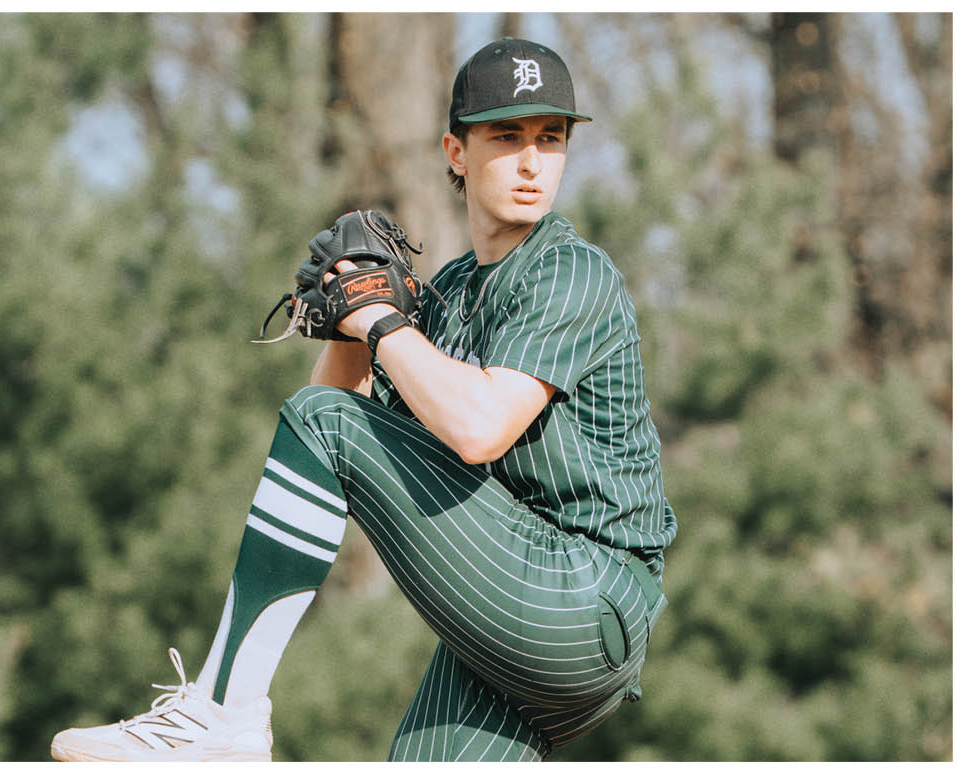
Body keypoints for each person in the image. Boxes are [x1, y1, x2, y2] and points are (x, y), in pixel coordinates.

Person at [50, 37, 677, 763]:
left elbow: (475, 429)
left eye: (551, 138)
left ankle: (223, 713)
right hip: (518, 625)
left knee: (331, 424)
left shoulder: (570, 270)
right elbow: (325, 437)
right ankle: (223, 720)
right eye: (507, 136)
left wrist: (378, 319)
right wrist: (354, 321)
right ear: (456, 151)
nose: (533, 161)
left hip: (584, 598)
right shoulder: (453, 294)